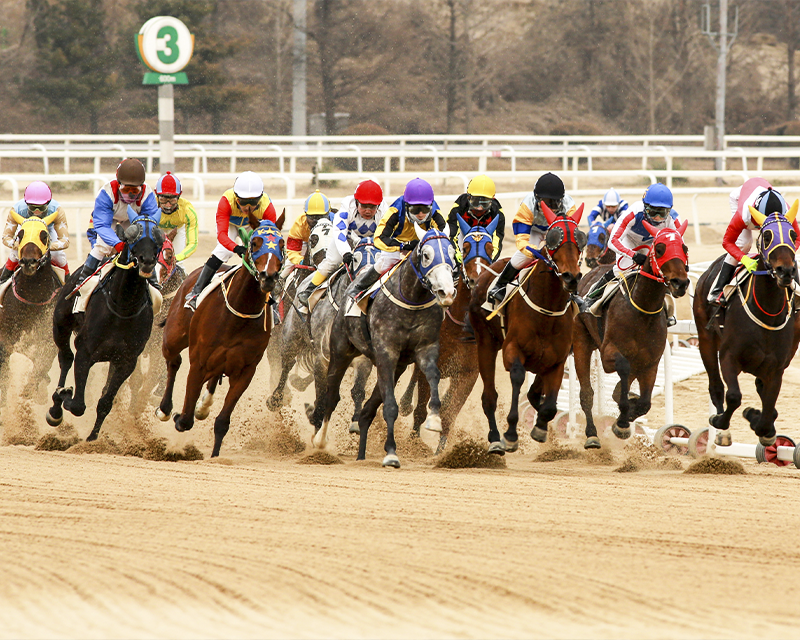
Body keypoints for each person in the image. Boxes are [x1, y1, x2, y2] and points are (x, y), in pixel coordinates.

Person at [184, 171, 277, 310]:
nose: (248, 207)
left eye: (253, 202)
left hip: (254, 224)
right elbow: (222, 235)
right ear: (236, 198)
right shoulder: (226, 201)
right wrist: (236, 248)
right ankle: (195, 292)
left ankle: (272, 299)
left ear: (260, 198)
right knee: (223, 251)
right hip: (231, 224)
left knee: (263, 254)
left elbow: (271, 241)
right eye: (244, 202)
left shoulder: (268, 208)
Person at [69, 158, 160, 297]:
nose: (130, 194)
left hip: (134, 219)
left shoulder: (148, 195)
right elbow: (102, 225)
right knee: (102, 246)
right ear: (118, 185)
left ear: (142, 187)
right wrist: (117, 243)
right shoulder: (106, 193)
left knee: (143, 243)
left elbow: (150, 224)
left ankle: (153, 282)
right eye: (126, 189)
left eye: (135, 190)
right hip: (108, 219)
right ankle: (82, 281)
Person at [582, 183, 682, 308]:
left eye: (662, 213)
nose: (657, 217)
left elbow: (678, 246)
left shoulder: (674, 219)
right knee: (620, 271)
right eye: (653, 212)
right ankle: (591, 297)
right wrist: (633, 255)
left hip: (653, 243)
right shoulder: (633, 212)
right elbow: (613, 241)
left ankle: (667, 310)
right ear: (645, 207)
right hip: (629, 241)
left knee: (661, 272)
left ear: (670, 210)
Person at [347, 177, 448, 301]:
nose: (421, 214)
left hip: (425, 248)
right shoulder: (395, 210)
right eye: (415, 210)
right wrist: (402, 246)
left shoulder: (435, 211)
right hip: (397, 249)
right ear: (407, 205)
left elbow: (445, 235)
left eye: (425, 209)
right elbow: (378, 238)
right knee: (382, 264)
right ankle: (358, 290)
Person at [707, 179, 800, 306]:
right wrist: (744, 259)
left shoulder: (787, 213)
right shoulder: (743, 214)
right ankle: (717, 290)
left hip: (762, 198)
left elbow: (797, 238)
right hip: (740, 199)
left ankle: (797, 291)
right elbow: (727, 242)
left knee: (784, 244)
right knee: (744, 242)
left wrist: (786, 254)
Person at [488, 172, 577, 302]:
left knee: (569, 257)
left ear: (562, 200)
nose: (550, 208)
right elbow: (522, 240)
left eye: (554, 203)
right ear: (536, 199)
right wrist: (534, 250)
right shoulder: (527, 205)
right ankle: (500, 285)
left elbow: (571, 235)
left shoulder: (569, 206)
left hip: (556, 230)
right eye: (546, 203)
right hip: (534, 230)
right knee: (523, 257)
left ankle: (575, 294)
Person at [296, 180, 386, 308]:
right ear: (356, 202)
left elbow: (386, 234)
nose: (367, 211)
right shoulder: (347, 206)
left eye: (372, 207)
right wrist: (346, 252)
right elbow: (339, 232)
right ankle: (309, 291)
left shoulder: (384, 210)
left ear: (379, 205)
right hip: (347, 240)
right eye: (363, 206)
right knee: (332, 261)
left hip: (373, 241)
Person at [1, 181, 70, 283]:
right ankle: (2, 282)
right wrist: (18, 245)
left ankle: (69, 286)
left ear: (48, 203)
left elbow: (65, 241)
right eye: (32, 207)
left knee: (58, 256)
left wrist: (44, 247)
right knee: (14, 255)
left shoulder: (57, 210)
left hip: (47, 231)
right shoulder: (17, 209)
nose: (37, 211)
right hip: (26, 230)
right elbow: (6, 237)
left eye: (41, 207)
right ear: (26, 203)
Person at [446, 174, 505, 262]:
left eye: (484, 203)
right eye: (476, 202)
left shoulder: (497, 212)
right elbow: (452, 234)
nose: (480, 208)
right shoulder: (459, 206)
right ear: (468, 197)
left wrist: (491, 259)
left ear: (492, 200)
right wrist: (456, 253)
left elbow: (497, 240)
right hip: (463, 235)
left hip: (486, 236)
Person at [154, 171, 198, 266]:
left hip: (177, 230)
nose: (168, 205)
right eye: (163, 199)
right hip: (155, 229)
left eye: (173, 199)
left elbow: (192, 244)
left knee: (178, 264)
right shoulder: (150, 206)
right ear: (156, 195)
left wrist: (177, 258)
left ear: (179, 196)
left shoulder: (187, 210)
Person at [284, 189, 332, 270]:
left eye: (321, 217)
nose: (316, 221)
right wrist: (300, 261)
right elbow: (292, 250)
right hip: (305, 244)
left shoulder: (335, 221)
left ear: (328, 214)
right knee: (288, 264)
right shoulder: (300, 223)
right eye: (312, 217)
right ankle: (281, 280)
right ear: (305, 214)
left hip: (328, 246)